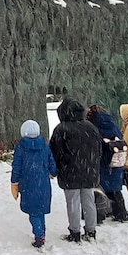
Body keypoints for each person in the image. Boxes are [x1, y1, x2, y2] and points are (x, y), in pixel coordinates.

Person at [49, 99, 103, 243]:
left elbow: (55, 152)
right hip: (89, 170)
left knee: (73, 202)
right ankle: (91, 231)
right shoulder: (91, 127)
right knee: (89, 201)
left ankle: (75, 231)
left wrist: (55, 168)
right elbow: (99, 149)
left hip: (70, 172)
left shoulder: (61, 129)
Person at [10, 120, 58, 248]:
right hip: (43, 183)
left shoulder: (21, 148)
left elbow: (17, 166)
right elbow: (52, 163)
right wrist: (53, 172)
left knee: (33, 212)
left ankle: (39, 235)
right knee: (40, 209)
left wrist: (14, 181)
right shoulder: (45, 146)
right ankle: (42, 232)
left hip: (28, 184)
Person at [87, 104, 128, 222]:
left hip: (102, 162)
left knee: (99, 189)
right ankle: (121, 213)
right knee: (115, 189)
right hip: (116, 161)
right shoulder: (112, 123)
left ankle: (100, 214)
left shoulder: (94, 125)